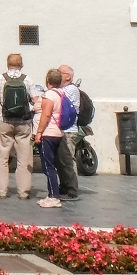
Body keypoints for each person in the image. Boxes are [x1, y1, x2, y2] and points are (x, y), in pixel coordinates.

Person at [0, 52, 36, 201]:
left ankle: (1, 191)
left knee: (1, 157)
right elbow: (35, 100)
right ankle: (24, 192)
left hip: (5, 121)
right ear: (21, 64)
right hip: (23, 123)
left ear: (7, 64)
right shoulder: (27, 79)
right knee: (24, 158)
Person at [35, 67, 66, 208]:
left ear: (47, 80)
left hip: (48, 133)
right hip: (58, 132)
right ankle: (51, 194)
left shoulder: (49, 95)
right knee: (52, 165)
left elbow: (46, 114)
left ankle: (54, 197)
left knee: (48, 166)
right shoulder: (61, 93)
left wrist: (39, 132)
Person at [54, 63, 81, 201]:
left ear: (68, 77)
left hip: (69, 130)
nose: (57, 74)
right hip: (62, 129)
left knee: (68, 160)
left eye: (60, 73)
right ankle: (64, 186)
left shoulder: (71, 89)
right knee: (61, 161)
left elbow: (58, 100)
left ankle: (72, 189)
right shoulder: (62, 89)